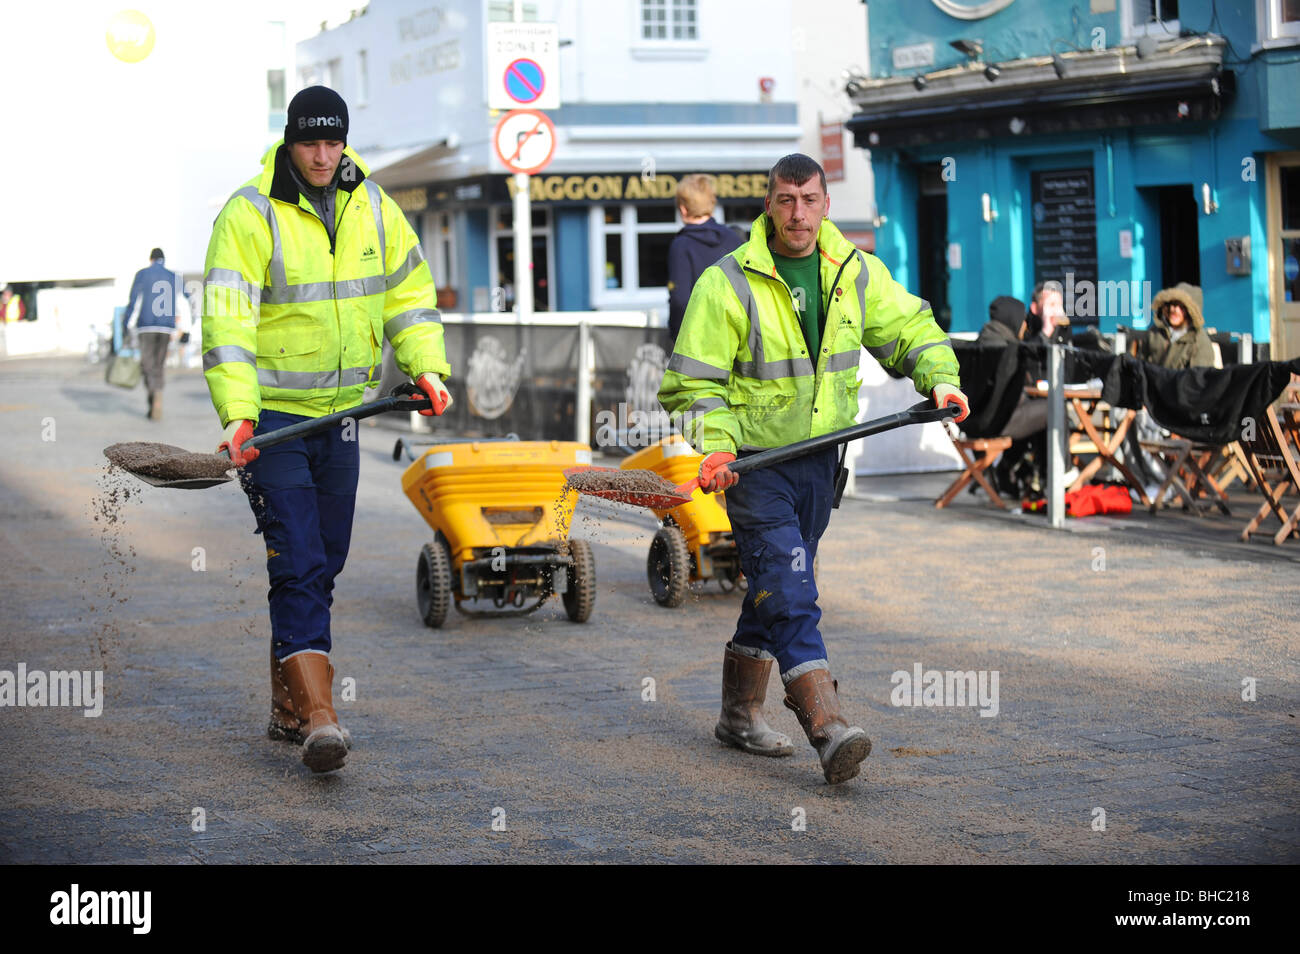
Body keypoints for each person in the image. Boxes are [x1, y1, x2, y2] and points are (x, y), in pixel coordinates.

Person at [658, 154, 968, 785]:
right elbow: (693, 382)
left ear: (826, 203)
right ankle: (828, 727)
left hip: (821, 463)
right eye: (784, 200)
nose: (797, 212)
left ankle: (739, 715)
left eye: (808, 199)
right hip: (755, 465)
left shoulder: (855, 271)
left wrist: (941, 380)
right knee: (793, 589)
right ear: (767, 205)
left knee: (774, 586)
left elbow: (908, 328)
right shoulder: (728, 282)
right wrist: (717, 446)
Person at [202, 86, 453, 774]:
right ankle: (319, 717)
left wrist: (427, 367)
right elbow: (227, 321)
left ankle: (288, 706)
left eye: (332, 141)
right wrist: (238, 414)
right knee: (300, 559)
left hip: (343, 417)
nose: (322, 155)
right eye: (310, 142)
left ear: (344, 139)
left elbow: (409, 293)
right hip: (275, 424)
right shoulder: (250, 213)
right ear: (289, 140)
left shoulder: (372, 203)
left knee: (326, 561)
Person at [666, 174, 743, 342]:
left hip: (699, 344)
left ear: (683, 209)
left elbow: (680, 301)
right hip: (736, 340)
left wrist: (676, 339)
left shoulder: (681, 245)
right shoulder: (735, 240)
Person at [124, 249, 180, 420]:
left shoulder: (142, 274)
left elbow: (134, 299)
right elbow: (186, 299)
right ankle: (158, 392)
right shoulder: (173, 276)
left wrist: (125, 324)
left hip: (146, 326)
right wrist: (186, 329)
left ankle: (152, 394)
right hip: (166, 327)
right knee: (159, 364)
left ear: (151, 259)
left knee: (147, 365)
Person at [1136, 282, 1215, 369]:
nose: (1174, 310)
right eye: (1173, 304)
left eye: (1181, 307)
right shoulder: (1155, 333)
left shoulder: (1199, 341)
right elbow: (1140, 366)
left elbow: (1198, 378)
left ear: (1190, 312)